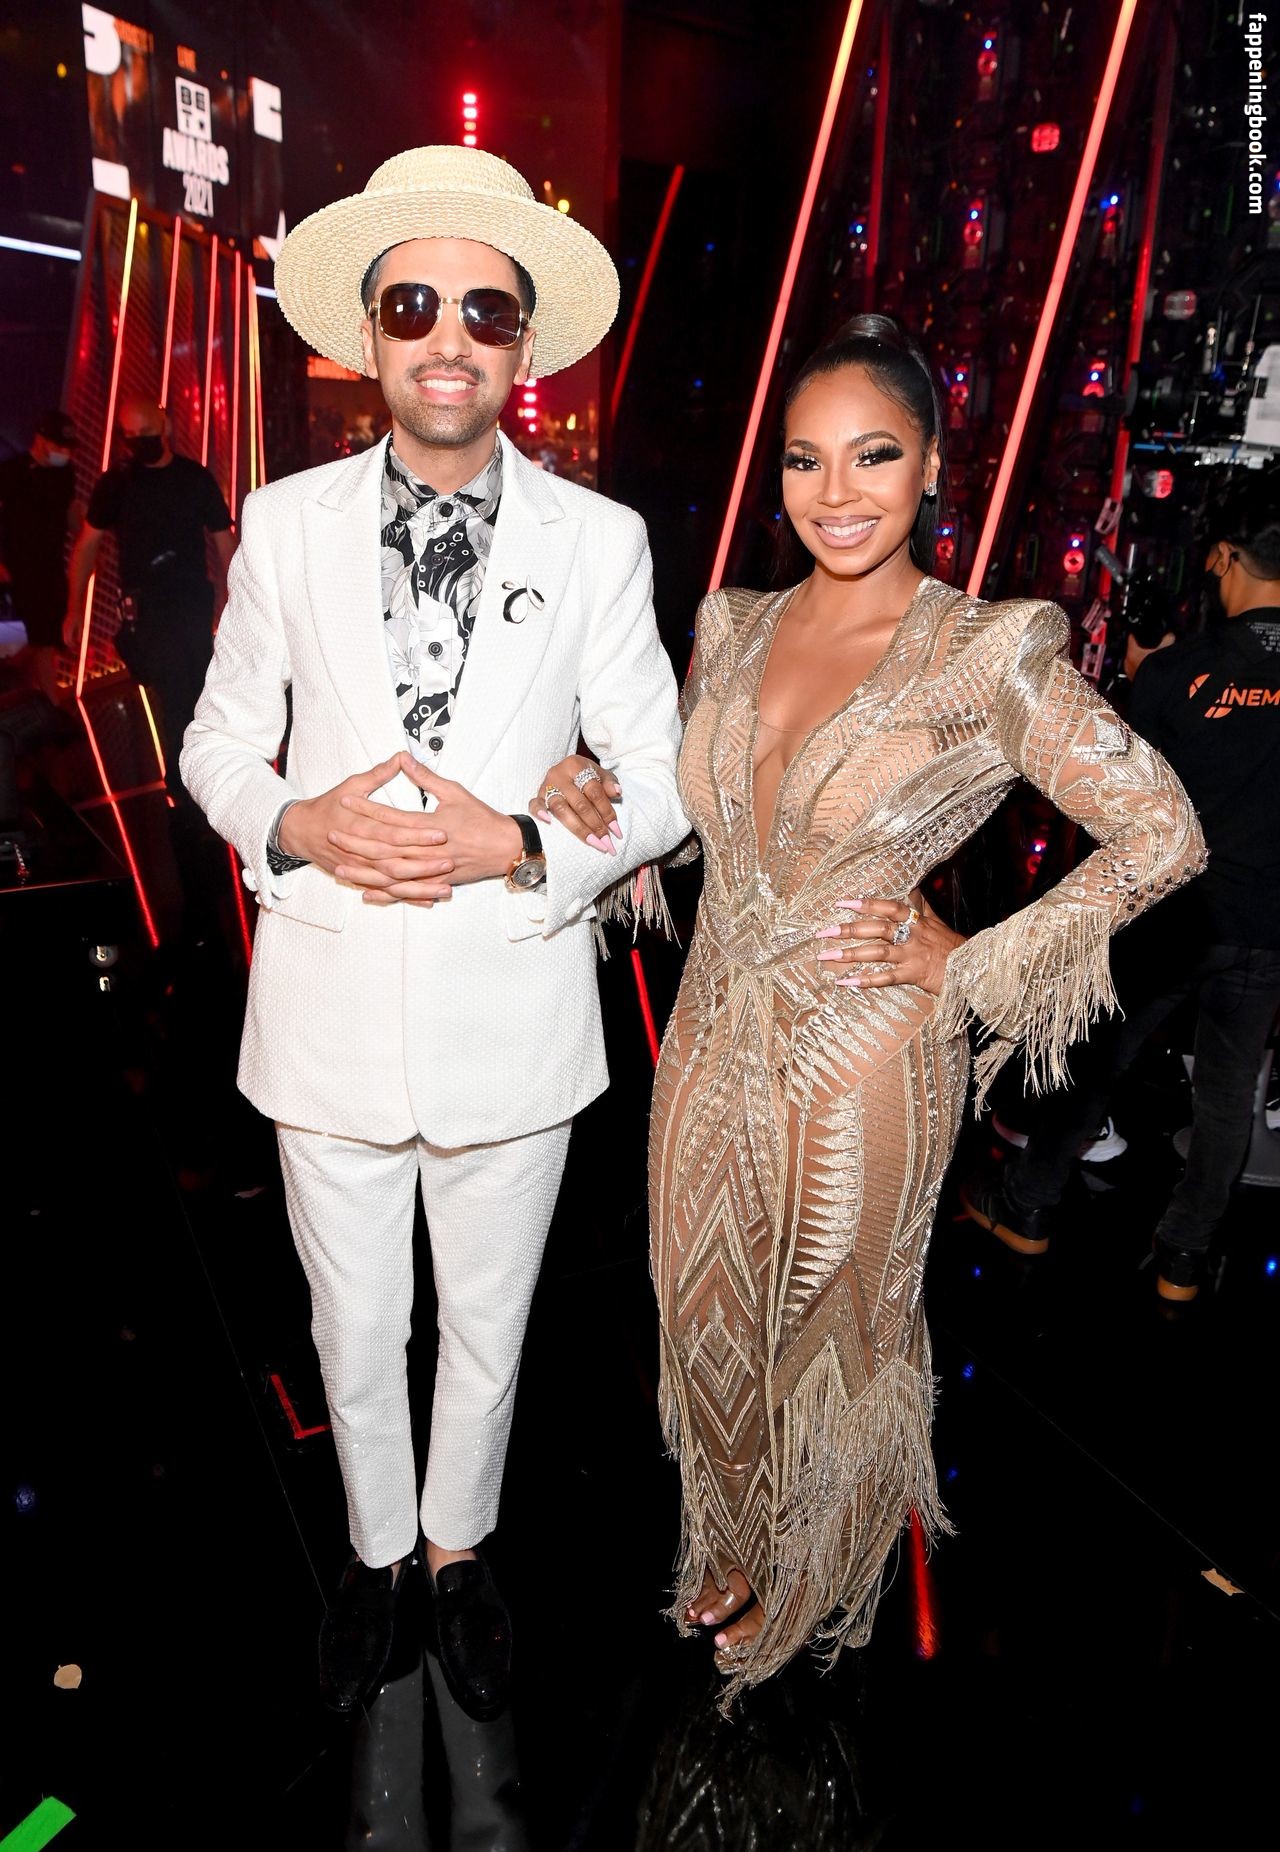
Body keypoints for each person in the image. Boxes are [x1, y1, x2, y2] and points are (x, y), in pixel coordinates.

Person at [579, 313, 1202, 1704]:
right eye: (805, 460)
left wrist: (969, 960)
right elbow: (689, 813)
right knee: (700, 1293)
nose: (835, 490)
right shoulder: (732, 626)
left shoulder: (986, 652)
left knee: (835, 1318)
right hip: (714, 1026)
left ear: (929, 467)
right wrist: (594, 794)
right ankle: (732, 1531)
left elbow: (1162, 832)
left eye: (872, 455)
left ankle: (818, 1564)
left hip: (865, 1044)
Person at [180, 146, 689, 1719]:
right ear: (369, 335)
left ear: (524, 343)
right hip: (324, 1003)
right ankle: (375, 1553)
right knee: (351, 1320)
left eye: (485, 310)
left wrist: (523, 843)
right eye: (415, 307)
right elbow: (215, 744)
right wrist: (297, 823)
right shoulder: (282, 524)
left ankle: (460, 1553)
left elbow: (662, 778)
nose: (449, 338)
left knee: (489, 1319)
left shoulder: (599, 540)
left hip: (513, 1008)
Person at [963, 469, 1280, 1304]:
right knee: (1226, 1101)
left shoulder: (1181, 672)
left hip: (1177, 915)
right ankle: (1183, 1261)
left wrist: (1145, 678)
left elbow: (1121, 795)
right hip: (1268, 926)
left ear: (1225, 557)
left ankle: (1028, 1208)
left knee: (1097, 1063)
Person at [64, 398, 234, 800]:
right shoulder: (117, 483)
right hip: (146, 606)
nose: (139, 442)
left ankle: (188, 778)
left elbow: (224, 542)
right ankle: (187, 778)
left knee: (191, 688)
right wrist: (74, 607)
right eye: (131, 436)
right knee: (174, 690)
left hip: (189, 601)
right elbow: (87, 546)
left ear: (165, 428)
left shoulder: (194, 479)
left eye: (146, 434)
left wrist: (235, 597)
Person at [0, 408, 83, 704]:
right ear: (40, 439)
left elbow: (70, 512)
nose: (63, 452)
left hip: (49, 570)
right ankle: (33, 703)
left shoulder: (64, 474)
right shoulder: (12, 472)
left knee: (45, 641)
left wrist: (88, 543)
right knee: (17, 644)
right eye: (58, 445)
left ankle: (46, 705)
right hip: (13, 574)